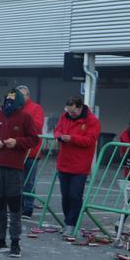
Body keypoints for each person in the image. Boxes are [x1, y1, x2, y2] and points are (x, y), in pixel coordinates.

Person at [0, 89, 40, 258]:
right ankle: (0, 239)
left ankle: (15, 242)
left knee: (14, 207)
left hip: (14, 167)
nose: (8, 105)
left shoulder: (25, 117)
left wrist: (17, 142)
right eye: (6, 101)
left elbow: (34, 139)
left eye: (11, 103)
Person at [53, 95, 100, 233]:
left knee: (75, 195)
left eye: (73, 111)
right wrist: (59, 136)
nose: (70, 114)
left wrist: (72, 138)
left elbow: (90, 140)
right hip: (64, 162)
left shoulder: (92, 121)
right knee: (65, 195)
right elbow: (57, 130)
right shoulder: (64, 116)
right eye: (68, 111)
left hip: (80, 164)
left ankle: (71, 224)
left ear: (80, 108)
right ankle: (68, 222)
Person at [17, 85, 45, 219]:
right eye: (19, 94)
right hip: (17, 150)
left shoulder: (35, 108)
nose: (21, 97)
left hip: (31, 151)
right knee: (17, 180)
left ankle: (28, 207)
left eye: (23, 95)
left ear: (28, 95)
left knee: (28, 181)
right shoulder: (15, 107)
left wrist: (21, 123)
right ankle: (18, 206)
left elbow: (37, 126)